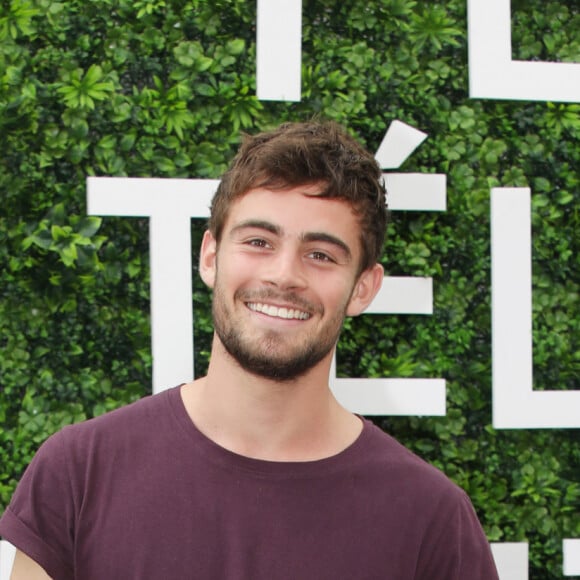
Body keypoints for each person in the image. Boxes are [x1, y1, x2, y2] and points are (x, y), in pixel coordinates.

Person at [0, 121, 499, 579]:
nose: (284, 275)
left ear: (363, 288)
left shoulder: (431, 519)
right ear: (211, 256)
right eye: (259, 242)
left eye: (320, 255)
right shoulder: (80, 471)